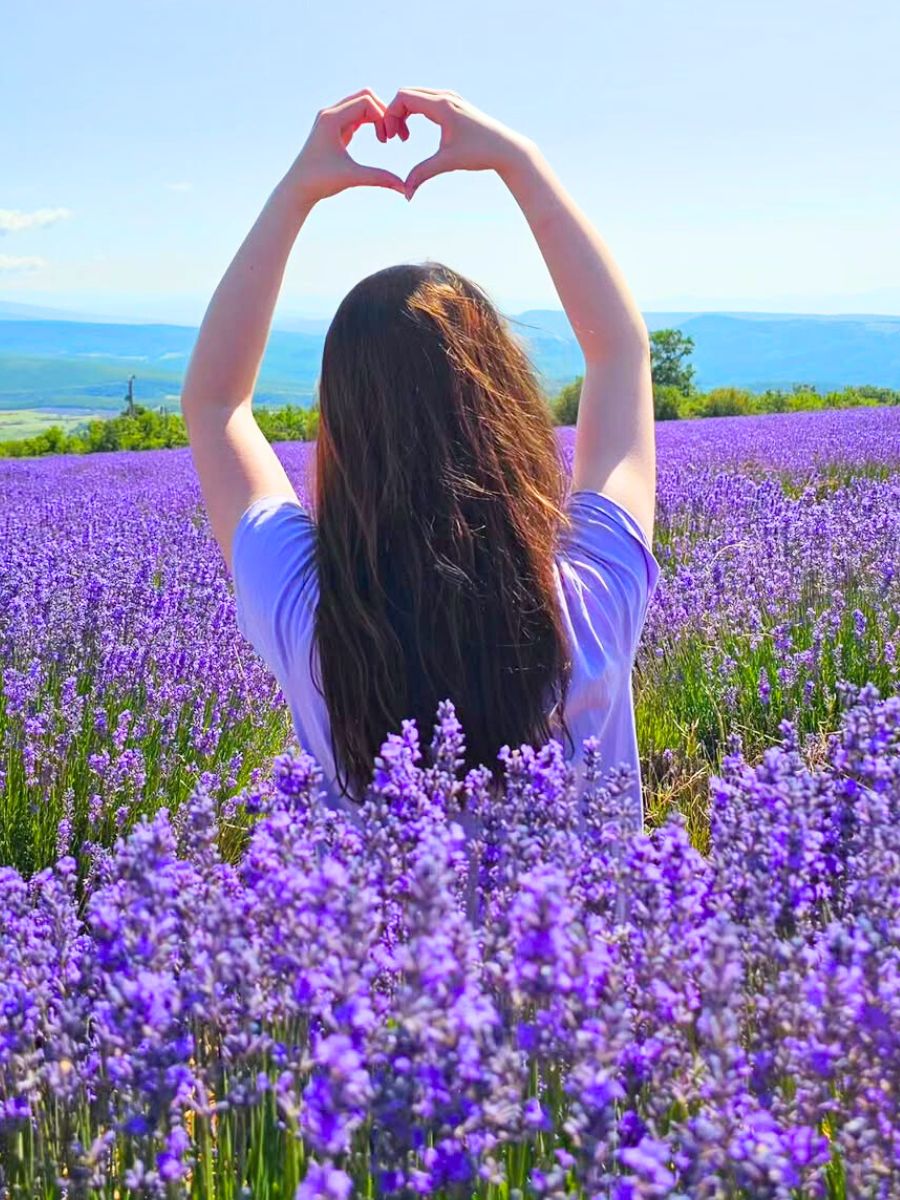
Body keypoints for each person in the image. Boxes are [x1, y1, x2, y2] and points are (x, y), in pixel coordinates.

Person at [182, 87, 659, 833]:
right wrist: (516, 160)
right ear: (505, 409)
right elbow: (621, 354)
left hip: (373, 955)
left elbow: (215, 404)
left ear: (340, 427)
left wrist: (297, 192)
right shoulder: (589, 593)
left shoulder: (307, 610)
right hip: (589, 952)